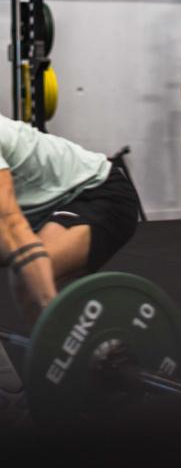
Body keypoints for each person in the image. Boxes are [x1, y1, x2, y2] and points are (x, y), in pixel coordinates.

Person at [0, 112, 139, 427]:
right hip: (43, 207)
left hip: (96, 193)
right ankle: (13, 393)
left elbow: (11, 224)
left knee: (26, 280)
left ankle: (68, 384)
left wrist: (54, 322)